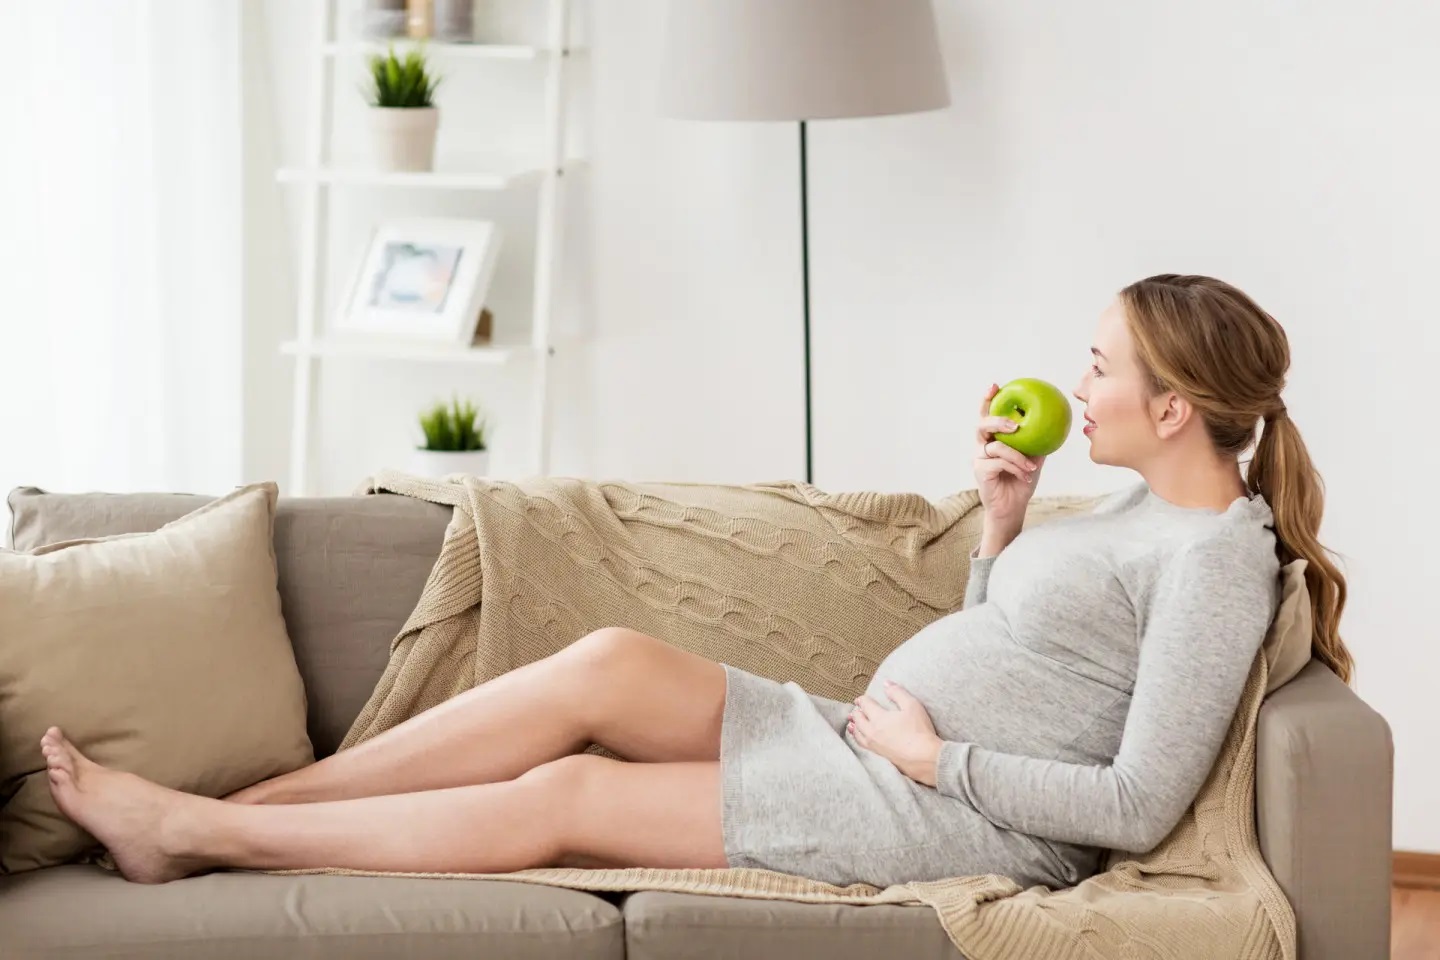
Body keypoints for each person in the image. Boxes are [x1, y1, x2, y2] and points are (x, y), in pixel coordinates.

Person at [39, 273, 1352, 887]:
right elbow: (1028, 660)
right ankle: (273, 793)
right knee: (610, 663)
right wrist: (1001, 535)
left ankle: (211, 832)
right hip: (868, 744)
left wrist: (928, 763)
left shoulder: (1221, 565)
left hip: (951, 816)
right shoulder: (1123, 506)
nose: (1079, 387)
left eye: (1104, 368)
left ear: (1176, 410)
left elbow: (1129, 802)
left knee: (568, 795)